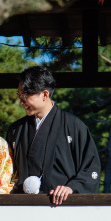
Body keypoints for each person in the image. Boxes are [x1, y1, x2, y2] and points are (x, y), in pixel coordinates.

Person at [6, 66, 101, 204]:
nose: (21, 101)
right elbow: (6, 170)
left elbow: (90, 168)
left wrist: (71, 188)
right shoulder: (16, 129)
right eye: (19, 96)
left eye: (25, 96)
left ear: (44, 94)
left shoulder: (73, 126)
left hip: (61, 205)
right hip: (23, 206)